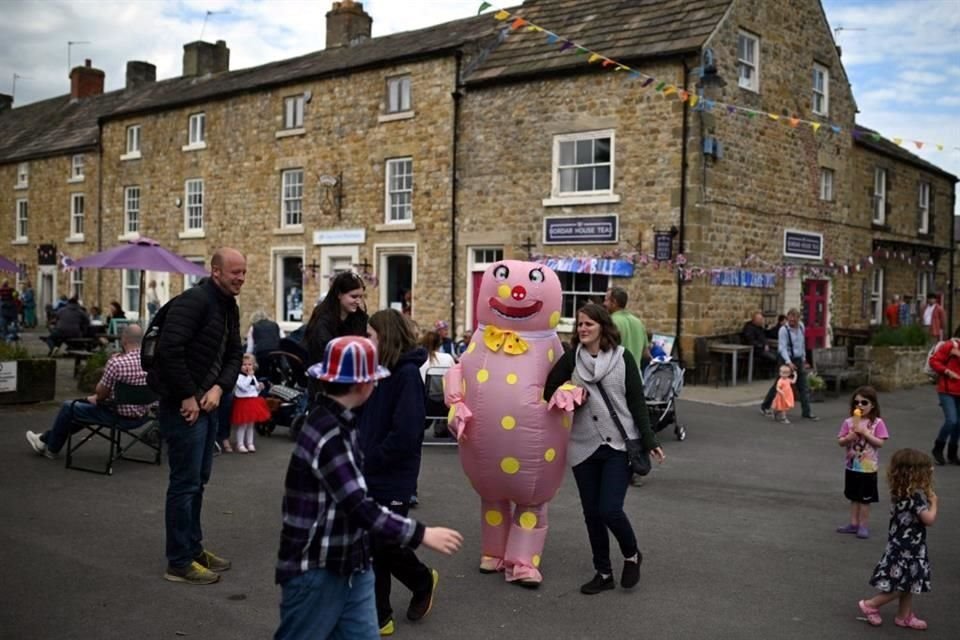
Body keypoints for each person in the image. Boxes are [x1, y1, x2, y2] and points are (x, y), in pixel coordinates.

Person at [274, 336, 463, 639]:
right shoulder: (329, 433)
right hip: (316, 566)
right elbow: (358, 505)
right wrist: (422, 534)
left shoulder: (338, 421)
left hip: (350, 560)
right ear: (363, 386)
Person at [543, 303, 665, 595]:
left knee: (609, 509)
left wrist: (650, 441)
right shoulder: (572, 358)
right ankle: (603, 572)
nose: (583, 329)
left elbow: (636, 402)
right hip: (583, 446)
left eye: (589, 324)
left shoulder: (623, 358)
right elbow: (549, 390)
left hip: (618, 445)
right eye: (580, 324)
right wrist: (570, 395)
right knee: (592, 514)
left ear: (603, 327)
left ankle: (632, 554)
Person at [149, 248, 244, 585]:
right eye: (235, 272)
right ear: (215, 271)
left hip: (208, 404)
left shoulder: (229, 306)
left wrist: (219, 388)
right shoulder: (194, 301)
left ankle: (192, 548)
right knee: (185, 483)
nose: (241, 278)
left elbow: (235, 353)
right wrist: (188, 395)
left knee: (198, 481)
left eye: (244, 272)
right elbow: (169, 350)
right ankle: (178, 562)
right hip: (183, 407)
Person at [357, 310, 436, 636]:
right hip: (369, 471)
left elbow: (406, 433)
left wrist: (372, 459)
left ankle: (421, 580)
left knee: (385, 543)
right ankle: (380, 616)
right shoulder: (375, 372)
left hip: (393, 476)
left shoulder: (406, 376)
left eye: (370, 335)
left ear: (386, 337)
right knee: (372, 544)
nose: (366, 340)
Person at [26, 324, 151, 459]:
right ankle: (44, 439)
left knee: (69, 407)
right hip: (142, 416)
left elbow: (101, 394)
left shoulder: (117, 363)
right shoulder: (153, 361)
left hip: (117, 416)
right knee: (83, 410)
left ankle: (51, 448)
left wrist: (95, 398)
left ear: (124, 339)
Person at [856, 449, 937, 630]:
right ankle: (871, 604)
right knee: (902, 585)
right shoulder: (914, 499)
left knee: (909, 583)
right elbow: (929, 519)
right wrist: (934, 503)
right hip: (908, 549)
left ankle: (904, 616)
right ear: (915, 475)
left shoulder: (899, 493)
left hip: (901, 545)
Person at [304, 271, 368, 399]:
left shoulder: (359, 318)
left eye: (361, 297)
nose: (358, 301)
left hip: (352, 384)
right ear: (339, 294)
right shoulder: (322, 322)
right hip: (325, 387)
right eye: (353, 296)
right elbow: (325, 353)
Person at [835, 387, 889, 539]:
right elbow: (840, 441)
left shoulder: (877, 423)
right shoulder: (849, 422)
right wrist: (848, 438)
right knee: (853, 497)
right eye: (856, 402)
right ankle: (853, 523)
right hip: (852, 466)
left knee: (865, 499)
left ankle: (863, 525)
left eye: (864, 402)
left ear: (872, 405)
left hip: (868, 468)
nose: (859, 405)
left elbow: (880, 443)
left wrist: (866, 433)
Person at [760, 308, 818, 421]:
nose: (791, 321)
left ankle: (807, 412)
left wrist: (803, 359)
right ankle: (765, 406)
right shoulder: (783, 330)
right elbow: (782, 348)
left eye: (794, 319)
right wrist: (788, 362)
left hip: (798, 359)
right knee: (779, 384)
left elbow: (801, 344)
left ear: (798, 319)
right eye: (789, 319)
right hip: (786, 360)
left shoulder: (801, 327)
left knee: (803, 385)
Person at [927, 332, 960, 465]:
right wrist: (947, 371)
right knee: (951, 420)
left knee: (958, 424)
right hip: (947, 390)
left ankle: (952, 453)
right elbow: (934, 361)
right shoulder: (950, 345)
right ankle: (938, 448)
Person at [230, 354, 271, 454]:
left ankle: (250, 443)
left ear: (253, 366)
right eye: (244, 364)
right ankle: (240, 444)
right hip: (243, 403)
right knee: (242, 424)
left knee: (250, 425)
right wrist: (249, 377)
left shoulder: (253, 377)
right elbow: (243, 387)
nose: (247, 367)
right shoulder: (239, 377)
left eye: (249, 364)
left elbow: (254, 390)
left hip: (252, 402)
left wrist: (259, 387)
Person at [603, 287, 650, 369]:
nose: (604, 303)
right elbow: (645, 354)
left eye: (606, 300)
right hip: (636, 375)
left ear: (614, 302)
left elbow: (604, 352)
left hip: (617, 375)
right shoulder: (638, 322)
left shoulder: (610, 322)